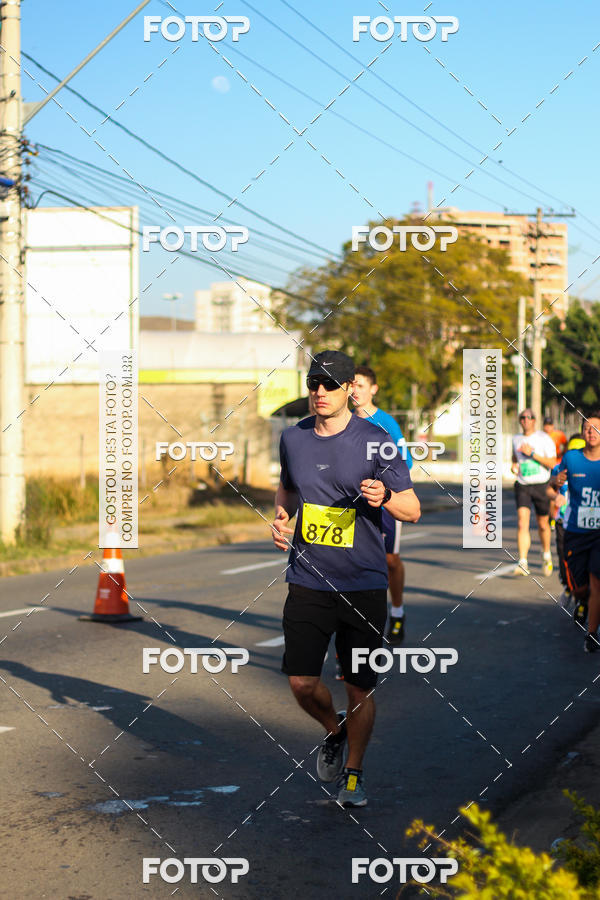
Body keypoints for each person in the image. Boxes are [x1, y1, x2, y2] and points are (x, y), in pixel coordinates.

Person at [271, 350, 420, 807]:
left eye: (329, 385)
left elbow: (411, 509)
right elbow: (289, 488)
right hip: (308, 577)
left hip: (362, 582)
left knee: (359, 686)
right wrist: (280, 518)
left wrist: (385, 494)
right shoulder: (293, 438)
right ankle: (333, 730)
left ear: (348, 390)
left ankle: (354, 775)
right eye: (313, 383)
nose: (319, 392)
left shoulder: (377, 441)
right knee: (300, 681)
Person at [351, 365, 413, 642]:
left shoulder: (386, 423)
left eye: (361, 386)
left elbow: (405, 462)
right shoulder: (343, 421)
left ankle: (397, 611)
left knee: (390, 560)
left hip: (384, 500)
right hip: (353, 502)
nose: (354, 391)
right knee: (349, 563)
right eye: (351, 385)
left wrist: (382, 487)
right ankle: (351, 634)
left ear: (373, 389)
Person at [551, 413, 600, 652]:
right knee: (580, 586)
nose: (591, 432)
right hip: (576, 531)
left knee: (597, 582)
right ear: (582, 432)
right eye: (587, 428)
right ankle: (583, 599)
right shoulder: (571, 458)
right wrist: (556, 482)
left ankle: (591, 634)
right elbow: (553, 481)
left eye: (596, 429)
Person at [511, 409, 557, 576]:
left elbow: (553, 463)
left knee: (543, 525)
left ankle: (546, 554)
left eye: (529, 417)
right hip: (523, 485)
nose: (525, 420)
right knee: (522, 522)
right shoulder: (516, 439)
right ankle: (523, 561)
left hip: (541, 485)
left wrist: (533, 454)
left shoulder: (544, 439)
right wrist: (514, 466)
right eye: (522, 417)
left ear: (534, 421)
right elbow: (515, 458)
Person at [547, 434, 586, 612]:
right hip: (564, 521)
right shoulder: (559, 469)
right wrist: (556, 496)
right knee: (565, 559)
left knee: (586, 563)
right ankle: (569, 588)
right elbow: (549, 488)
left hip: (587, 523)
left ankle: (584, 600)